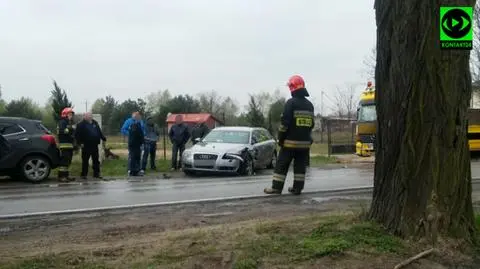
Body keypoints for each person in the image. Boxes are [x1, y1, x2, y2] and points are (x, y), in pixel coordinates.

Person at [264, 75, 314, 195]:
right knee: (300, 167)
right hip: (304, 145)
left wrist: (280, 139)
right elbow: (311, 124)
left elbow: (284, 124)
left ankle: (276, 188)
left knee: (281, 164)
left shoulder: (290, 103)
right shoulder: (309, 105)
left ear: (292, 88)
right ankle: (297, 188)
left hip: (290, 143)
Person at [75, 112, 107, 180]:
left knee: (96, 160)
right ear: (85, 117)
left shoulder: (95, 123)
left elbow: (99, 131)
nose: (90, 117)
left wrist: (103, 137)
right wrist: (80, 143)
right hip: (86, 145)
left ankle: (96, 173)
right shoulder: (81, 124)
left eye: (91, 116)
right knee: (85, 160)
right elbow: (77, 135)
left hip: (94, 144)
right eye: (88, 116)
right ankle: (84, 174)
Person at [121, 112, 146, 176]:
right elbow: (123, 129)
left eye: (139, 116)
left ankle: (137, 170)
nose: (139, 117)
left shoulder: (141, 122)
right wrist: (130, 134)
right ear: (134, 116)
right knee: (132, 156)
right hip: (132, 142)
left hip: (139, 142)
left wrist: (143, 136)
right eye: (138, 116)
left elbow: (143, 130)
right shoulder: (128, 121)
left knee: (138, 156)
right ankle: (130, 170)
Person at [57, 107, 77, 182]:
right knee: (64, 161)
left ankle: (66, 176)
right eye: (70, 114)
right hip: (64, 144)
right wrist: (71, 128)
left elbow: (71, 132)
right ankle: (61, 177)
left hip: (69, 144)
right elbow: (63, 131)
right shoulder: (62, 122)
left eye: (71, 114)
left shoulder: (68, 122)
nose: (71, 116)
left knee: (68, 161)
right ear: (65, 114)